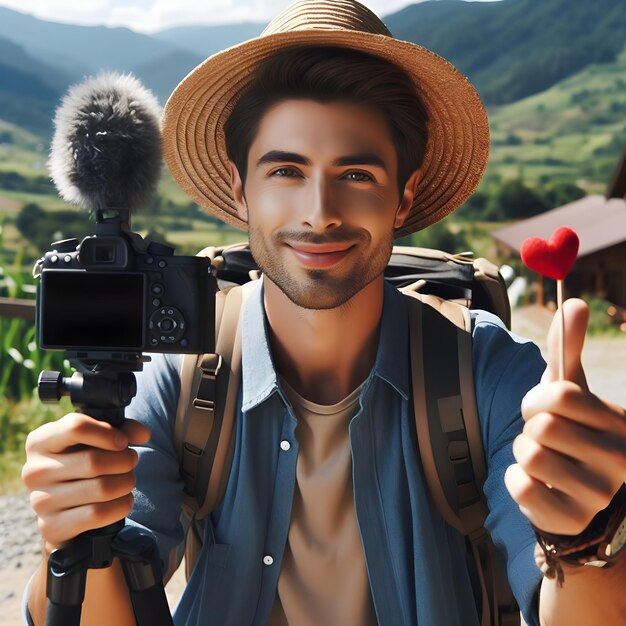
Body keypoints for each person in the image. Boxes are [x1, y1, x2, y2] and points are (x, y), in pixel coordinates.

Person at [22, 1, 626, 625]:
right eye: (285, 169)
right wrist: (70, 531)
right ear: (240, 190)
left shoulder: (489, 371)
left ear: (403, 196)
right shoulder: (178, 380)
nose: (319, 213)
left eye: (357, 173)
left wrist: (584, 540)